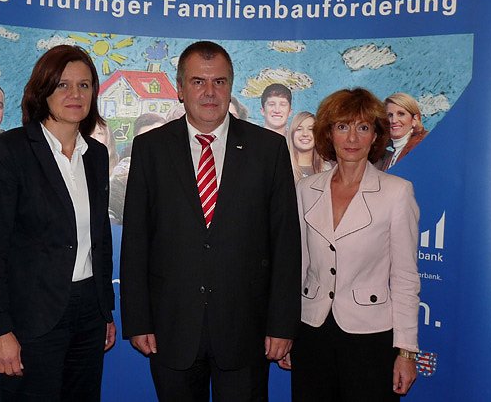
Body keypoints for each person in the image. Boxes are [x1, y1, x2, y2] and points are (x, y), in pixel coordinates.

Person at [120, 41, 301, 401]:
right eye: (198, 82)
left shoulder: (268, 149)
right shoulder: (150, 148)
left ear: (231, 86)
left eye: (219, 82)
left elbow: (285, 242)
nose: (209, 92)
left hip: (245, 330)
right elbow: (137, 239)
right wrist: (138, 320)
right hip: (171, 328)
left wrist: (282, 324)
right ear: (180, 88)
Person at [0, 45, 116, 401]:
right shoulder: (10, 150)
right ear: (42, 90)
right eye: (63, 85)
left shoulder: (96, 156)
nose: (75, 95)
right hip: (31, 318)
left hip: (89, 312)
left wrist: (105, 310)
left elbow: (99, 238)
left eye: (84, 85)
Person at [281, 88, 420, 401]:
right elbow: (297, 266)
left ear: (376, 135)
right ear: (329, 134)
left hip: (370, 336)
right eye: (343, 126)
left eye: (363, 127)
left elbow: (405, 277)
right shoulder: (306, 189)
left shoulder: (397, 192)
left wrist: (406, 351)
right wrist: (286, 330)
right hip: (311, 330)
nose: (352, 138)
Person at [108, 113, 166, 224]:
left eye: (160, 138)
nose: (153, 145)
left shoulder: (184, 174)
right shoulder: (121, 180)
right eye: (146, 139)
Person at [377, 92, 428, 171]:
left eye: (401, 114)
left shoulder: (422, 145)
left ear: (415, 119)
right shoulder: (389, 158)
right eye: (390, 115)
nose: (394, 120)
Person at [287, 111, 328, 183]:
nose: (305, 134)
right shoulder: (282, 167)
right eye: (299, 129)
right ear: (292, 134)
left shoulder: (327, 168)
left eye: (311, 129)